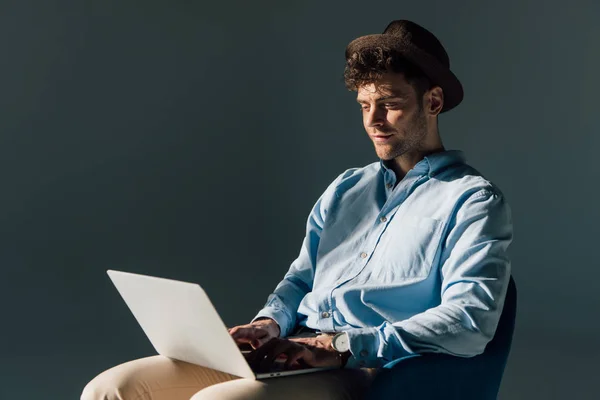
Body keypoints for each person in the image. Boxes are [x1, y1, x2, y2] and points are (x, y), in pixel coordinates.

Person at [81, 19, 513, 400]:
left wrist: (339, 346)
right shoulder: (347, 188)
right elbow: (301, 278)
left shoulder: (472, 201)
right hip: (291, 348)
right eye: (365, 105)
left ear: (433, 102)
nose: (374, 120)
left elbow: (469, 320)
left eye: (391, 103)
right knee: (111, 390)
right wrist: (269, 322)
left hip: (363, 369)